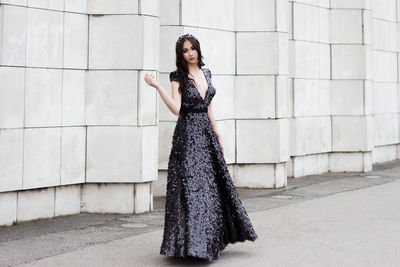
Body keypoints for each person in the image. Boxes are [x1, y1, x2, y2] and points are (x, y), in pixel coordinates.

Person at [144, 33, 257, 261]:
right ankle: (191, 244)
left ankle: (208, 241)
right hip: (187, 137)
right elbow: (176, 109)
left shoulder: (206, 73)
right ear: (181, 55)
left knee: (211, 189)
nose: (190, 53)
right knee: (191, 190)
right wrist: (157, 86)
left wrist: (217, 133)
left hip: (206, 135)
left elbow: (209, 108)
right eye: (185, 50)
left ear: (198, 49)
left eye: (193, 48)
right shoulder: (178, 77)